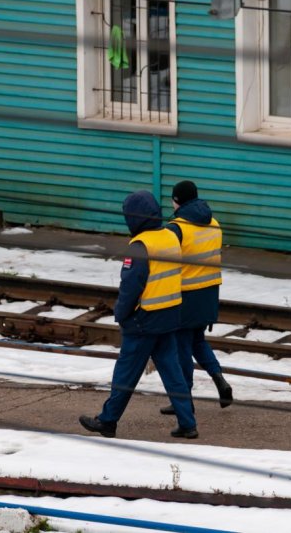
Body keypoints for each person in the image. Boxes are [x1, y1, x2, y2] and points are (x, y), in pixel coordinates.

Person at [79, 190, 198, 439]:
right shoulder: (170, 236)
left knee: (126, 373)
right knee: (172, 371)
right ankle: (188, 423)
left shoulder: (141, 246)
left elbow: (131, 288)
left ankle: (108, 421)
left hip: (144, 320)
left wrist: (121, 315)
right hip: (170, 315)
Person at [159, 180, 232, 415]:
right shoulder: (214, 223)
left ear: (177, 200)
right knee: (197, 341)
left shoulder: (176, 228)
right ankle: (220, 379)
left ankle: (184, 400)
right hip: (209, 293)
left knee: (181, 347)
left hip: (186, 296)